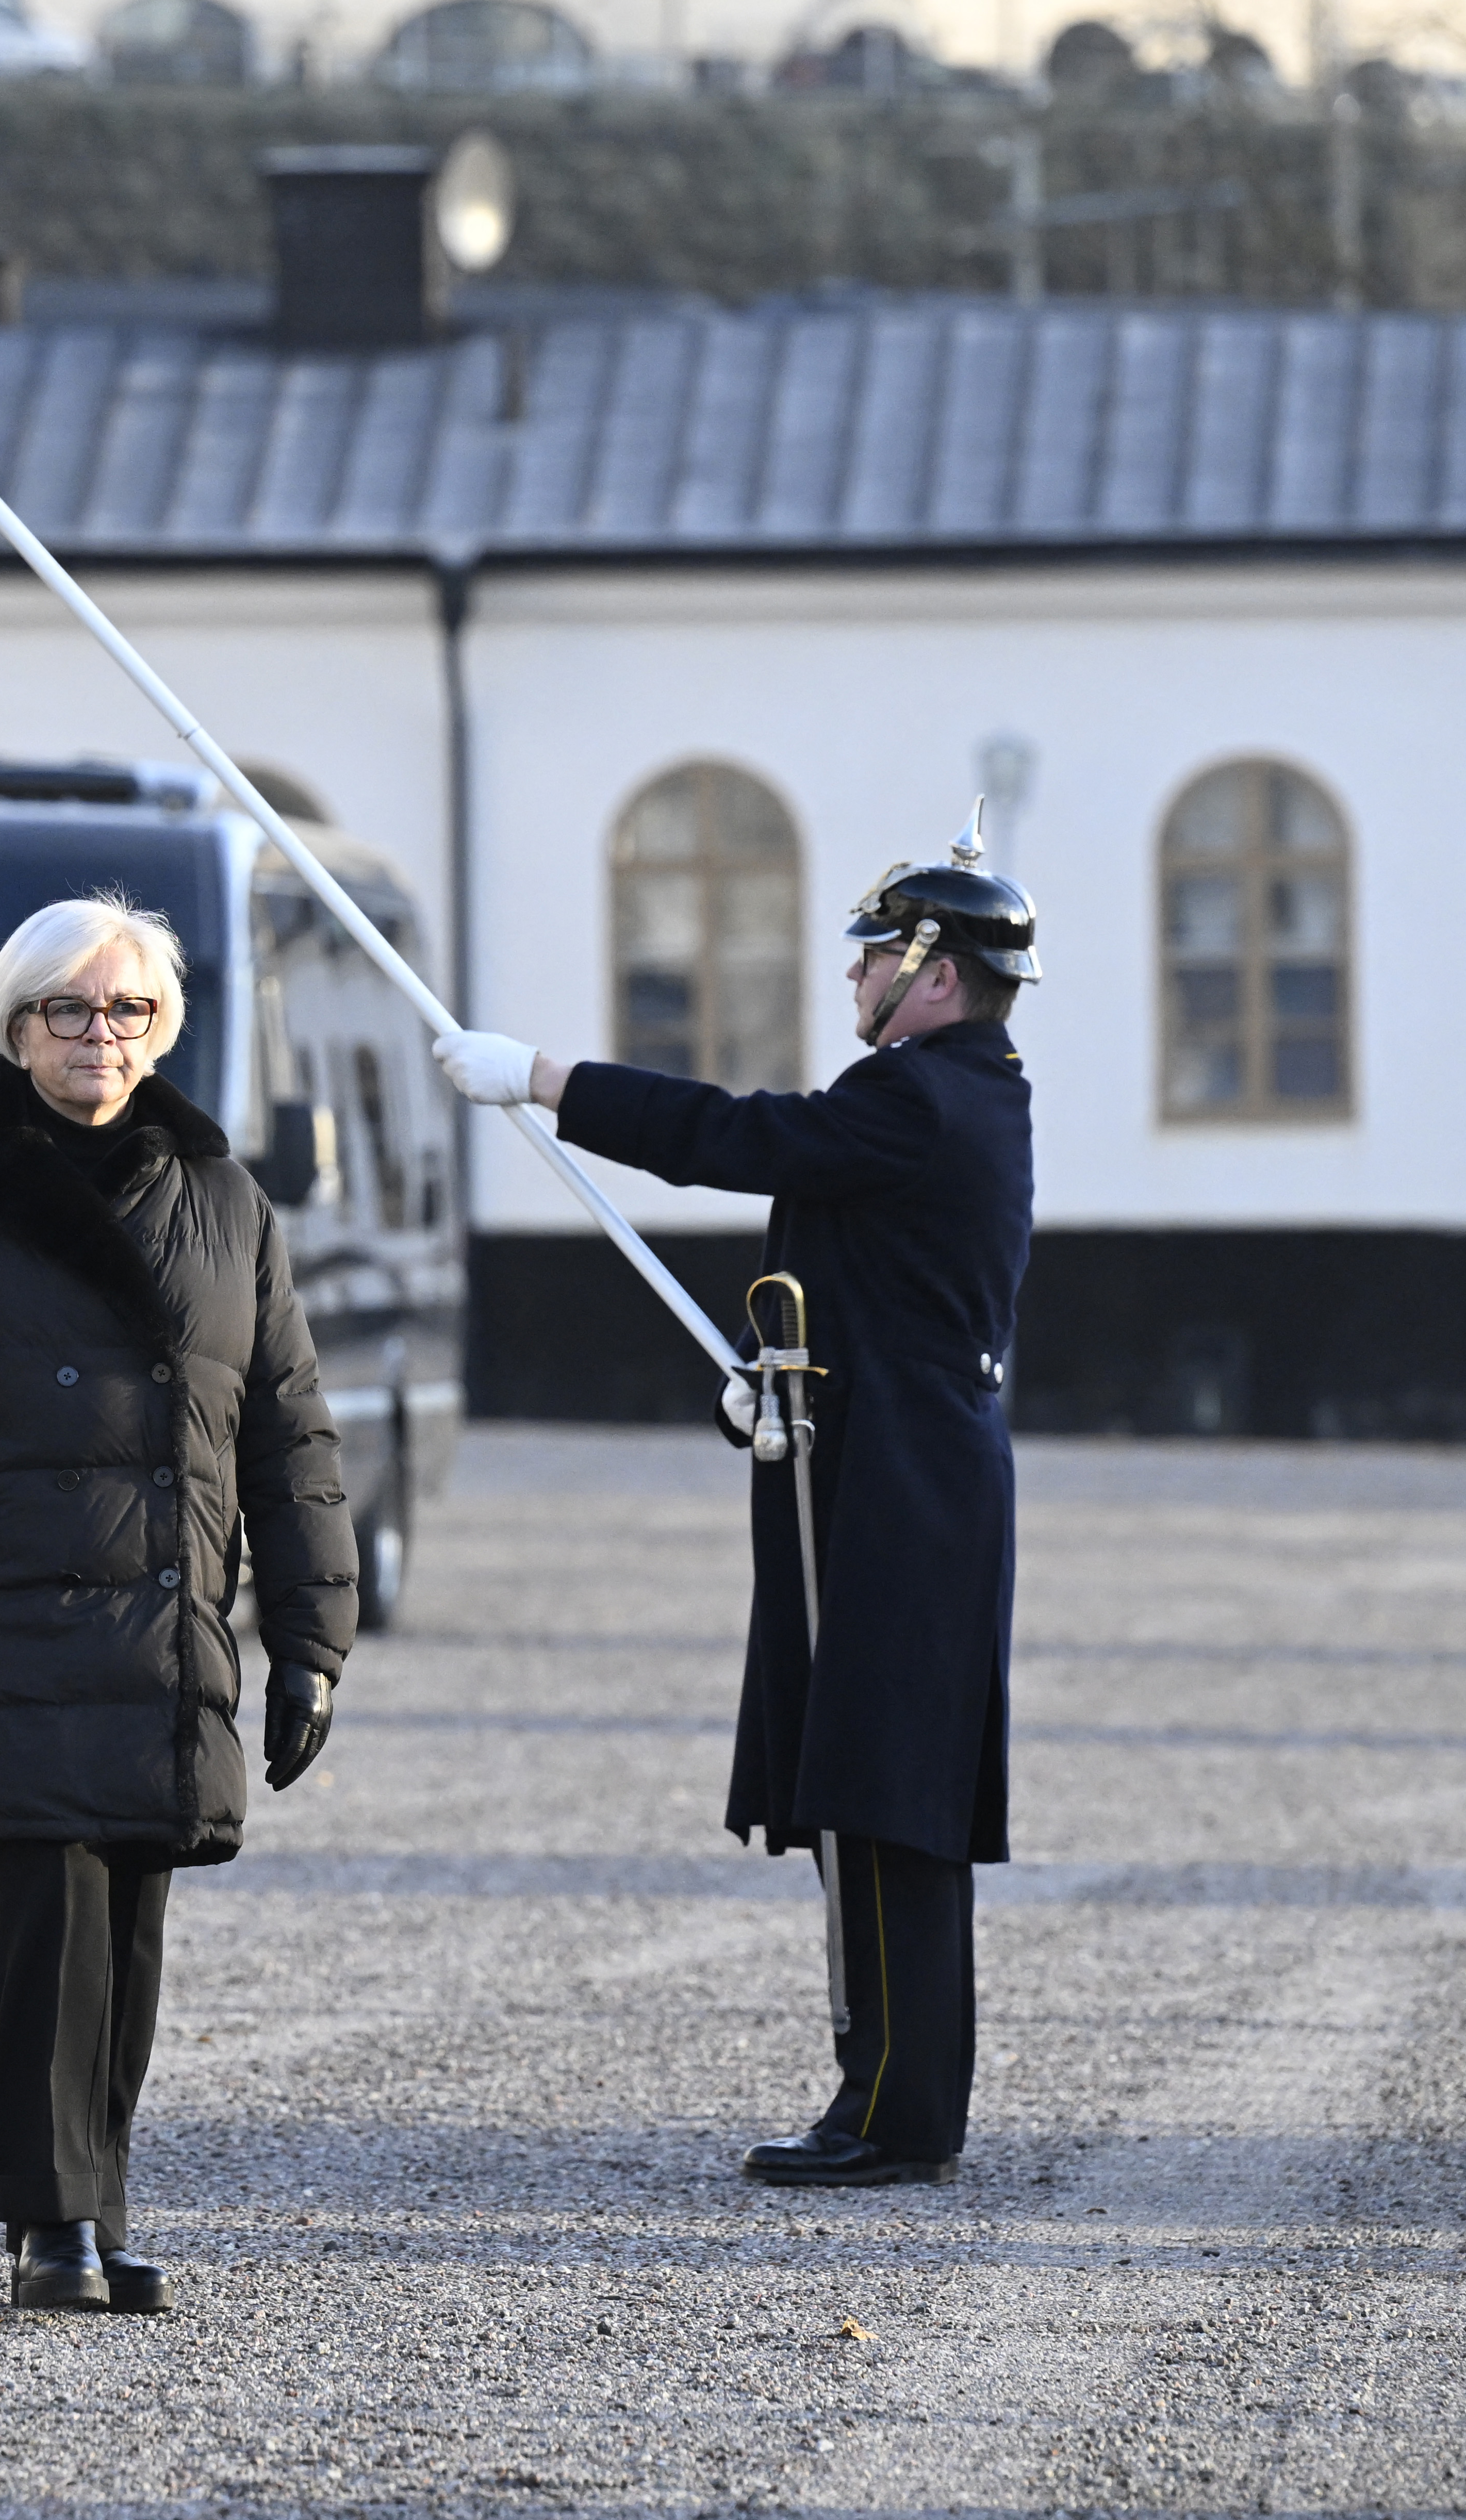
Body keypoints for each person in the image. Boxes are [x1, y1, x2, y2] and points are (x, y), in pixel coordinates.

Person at [436, 816, 1035, 2188]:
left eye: (875, 953)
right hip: (872, 1455)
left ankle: (894, 2109)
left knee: (887, 1794)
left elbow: (735, 1137)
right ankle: (885, 2089)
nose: (854, 976)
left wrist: (545, 1078)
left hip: (900, 1489)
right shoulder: (950, 1091)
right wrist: (777, 1379)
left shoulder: (921, 1096)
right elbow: (859, 1274)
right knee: (864, 1785)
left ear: (932, 971)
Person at [0, 892, 356, 2315]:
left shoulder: (226, 1202)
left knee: (133, 1920)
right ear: (14, 1024)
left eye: (124, 1011)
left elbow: (288, 1428)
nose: (95, 1036)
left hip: (162, 1630)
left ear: (161, 1026)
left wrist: (311, 1643)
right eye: (65, 1010)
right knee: (50, 1919)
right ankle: (50, 2221)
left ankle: (96, 2201)